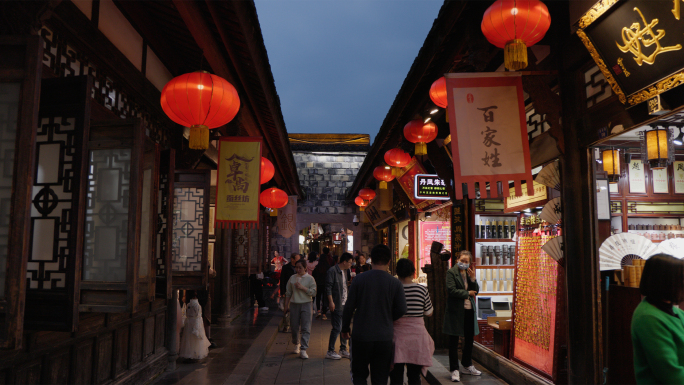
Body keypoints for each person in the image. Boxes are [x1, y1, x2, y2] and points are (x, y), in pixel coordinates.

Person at [342, 244, 407, 384]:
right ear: (389, 261)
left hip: (361, 335)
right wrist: (389, 317)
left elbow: (349, 307)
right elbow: (402, 309)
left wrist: (345, 328)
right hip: (384, 336)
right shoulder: (395, 283)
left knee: (359, 375)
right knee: (380, 377)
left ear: (371, 260)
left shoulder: (359, 279)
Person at [631, 253, 684, 384]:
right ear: (666, 283)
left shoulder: (674, 311)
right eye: (681, 280)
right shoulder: (648, 318)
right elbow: (671, 375)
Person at [390, 258, 434, 385]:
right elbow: (429, 313)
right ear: (413, 272)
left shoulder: (392, 290)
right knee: (414, 377)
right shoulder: (421, 290)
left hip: (396, 338)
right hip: (417, 339)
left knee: (396, 377)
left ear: (397, 272)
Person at [443, 250, 481, 382]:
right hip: (456, 311)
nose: (464, 263)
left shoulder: (469, 273)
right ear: (457, 259)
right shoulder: (451, 272)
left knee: (469, 339)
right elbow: (451, 290)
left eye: (466, 261)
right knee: (453, 340)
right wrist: (467, 293)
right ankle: (454, 369)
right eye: (462, 260)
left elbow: (476, 291)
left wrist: (473, 279)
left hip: (469, 310)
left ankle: (467, 365)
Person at [284, 259, 317, 360]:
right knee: (294, 326)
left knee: (306, 327)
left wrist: (302, 288)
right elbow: (288, 292)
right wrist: (286, 305)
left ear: (305, 268)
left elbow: (313, 292)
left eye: (300, 268)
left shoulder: (310, 279)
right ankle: (296, 343)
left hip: (307, 304)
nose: (298, 270)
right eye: (296, 267)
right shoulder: (292, 278)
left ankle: (303, 349)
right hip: (294, 304)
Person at [325, 253, 354, 360]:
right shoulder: (332, 271)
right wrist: (331, 302)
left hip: (345, 302)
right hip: (337, 302)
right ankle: (330, 350)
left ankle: (343, 349)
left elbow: (342, 285)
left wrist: (348, 283)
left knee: (344, 327)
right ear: (344, 262)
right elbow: (328, 287)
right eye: (350, 262)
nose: (351, 264)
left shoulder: (345, 271)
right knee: (337, 327)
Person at [179, 291, 211, 360]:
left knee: (190, 338)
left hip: (191, 321)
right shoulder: (196, 305)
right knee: (193, 339)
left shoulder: (190, 304)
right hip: (195, 321)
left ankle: (191, 352)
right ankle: (194, 352)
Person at [279, 253, 300, 332]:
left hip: (298, 291)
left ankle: (296, 325)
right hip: (288, 291)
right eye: (297, 259)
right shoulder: (285, 268)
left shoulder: (300, 267)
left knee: (297, 309)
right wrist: (283, 292)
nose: (299, 260)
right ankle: (286, 325)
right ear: (292, 259)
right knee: (286, 308)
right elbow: (282, 280)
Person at [312, 250, 331, 319]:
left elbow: (313, 275)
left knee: (318, 297)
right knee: (325, 298)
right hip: (326, 284)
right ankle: (324, 314)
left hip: (318, 284)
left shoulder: (317, 267)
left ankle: (319, 311)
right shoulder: (328, 267)